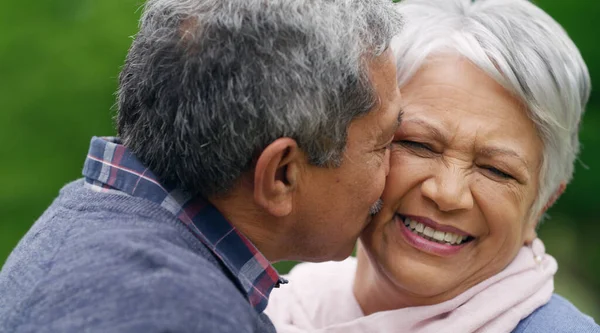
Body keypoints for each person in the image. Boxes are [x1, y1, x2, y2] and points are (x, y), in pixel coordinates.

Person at [0, 0, 404, 332]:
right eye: (384, 143)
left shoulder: (95, 229)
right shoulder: (171, 313)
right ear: (281, 175)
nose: (394, 174)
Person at [265, 0, 599, 332]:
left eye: (496, 170)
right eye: (419, 145)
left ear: (543, 205)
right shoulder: (278, 303)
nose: (448, 194)